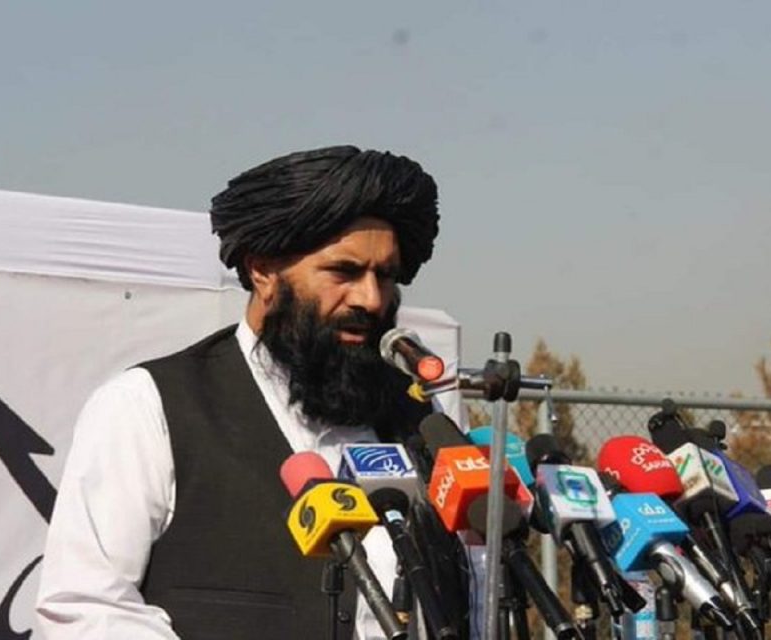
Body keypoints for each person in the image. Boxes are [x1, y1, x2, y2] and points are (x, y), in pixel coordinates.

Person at [35, 146, 470, 639]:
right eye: (344, 272)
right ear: (263, 271)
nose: (370, 299)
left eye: (385, 276)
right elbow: (85, 607)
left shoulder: (417, 416)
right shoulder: (148, 407)